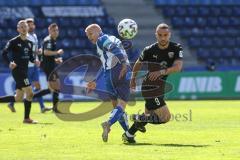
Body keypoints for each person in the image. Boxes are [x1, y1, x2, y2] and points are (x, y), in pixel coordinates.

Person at [122, 23, 183, 143]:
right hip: (150, 88)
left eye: (165, 35)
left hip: (159, 88)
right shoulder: (149, 50)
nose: (163, 38)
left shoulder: (176, 48)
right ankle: (139, 118)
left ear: (169, 35)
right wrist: (133, 79)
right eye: (160, 35)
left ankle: (129, 135)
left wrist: (161, 72)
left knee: (148, 116)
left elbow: (178, 67)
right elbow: (138, 63)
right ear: (156, 35)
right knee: (165, 117)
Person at [85, 24, 131, 142]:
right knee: (121, 105)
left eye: (90, 33)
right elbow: (114, 50)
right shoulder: (105, 40)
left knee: (116, 107)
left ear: (99, 31)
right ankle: (108, 123)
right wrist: (125, 63)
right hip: (119, 70)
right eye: (87, 35)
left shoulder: (102, 39)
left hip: (109, 75)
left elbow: (112, 52)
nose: (89, 37)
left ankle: (128, 134)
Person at [7, 18, 52, 113]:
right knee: (26, 89)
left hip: (33, 65)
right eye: (29, 25)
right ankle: (15, 104)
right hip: (26, 66)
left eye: (31, 25)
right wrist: (37, 52)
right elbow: (26, 50)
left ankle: (42, 107)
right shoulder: (25, 38)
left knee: (35, 87)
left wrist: (36, 57)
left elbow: (32, 50)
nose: (30, 26)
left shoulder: (34, 36)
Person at [1, 20, 39, 124]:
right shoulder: (13, 41)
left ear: (27, 28)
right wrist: (9, 63)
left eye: (25, 26)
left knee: (18, 98)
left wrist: (35, 61)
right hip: (18, 71)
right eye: (21, 27)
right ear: (18, 29)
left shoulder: (30, 43)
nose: (23, 28)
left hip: (25, 70)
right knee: (30, 93)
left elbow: (30, 57)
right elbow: (4, 53)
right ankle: (27, 118)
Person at [33, 23, 64, 113]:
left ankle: (32, 96)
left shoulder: (52, 40)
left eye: (57, 30)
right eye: (54, 30)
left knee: (54, 87)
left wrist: (56, 60)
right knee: (55, 87)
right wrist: (57, 52)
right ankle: (32, 96)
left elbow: (46, 55)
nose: (56, 32)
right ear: (49, 30)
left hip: (50, 65)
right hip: (48, 67)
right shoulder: (48, 40)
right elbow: (46, 52)